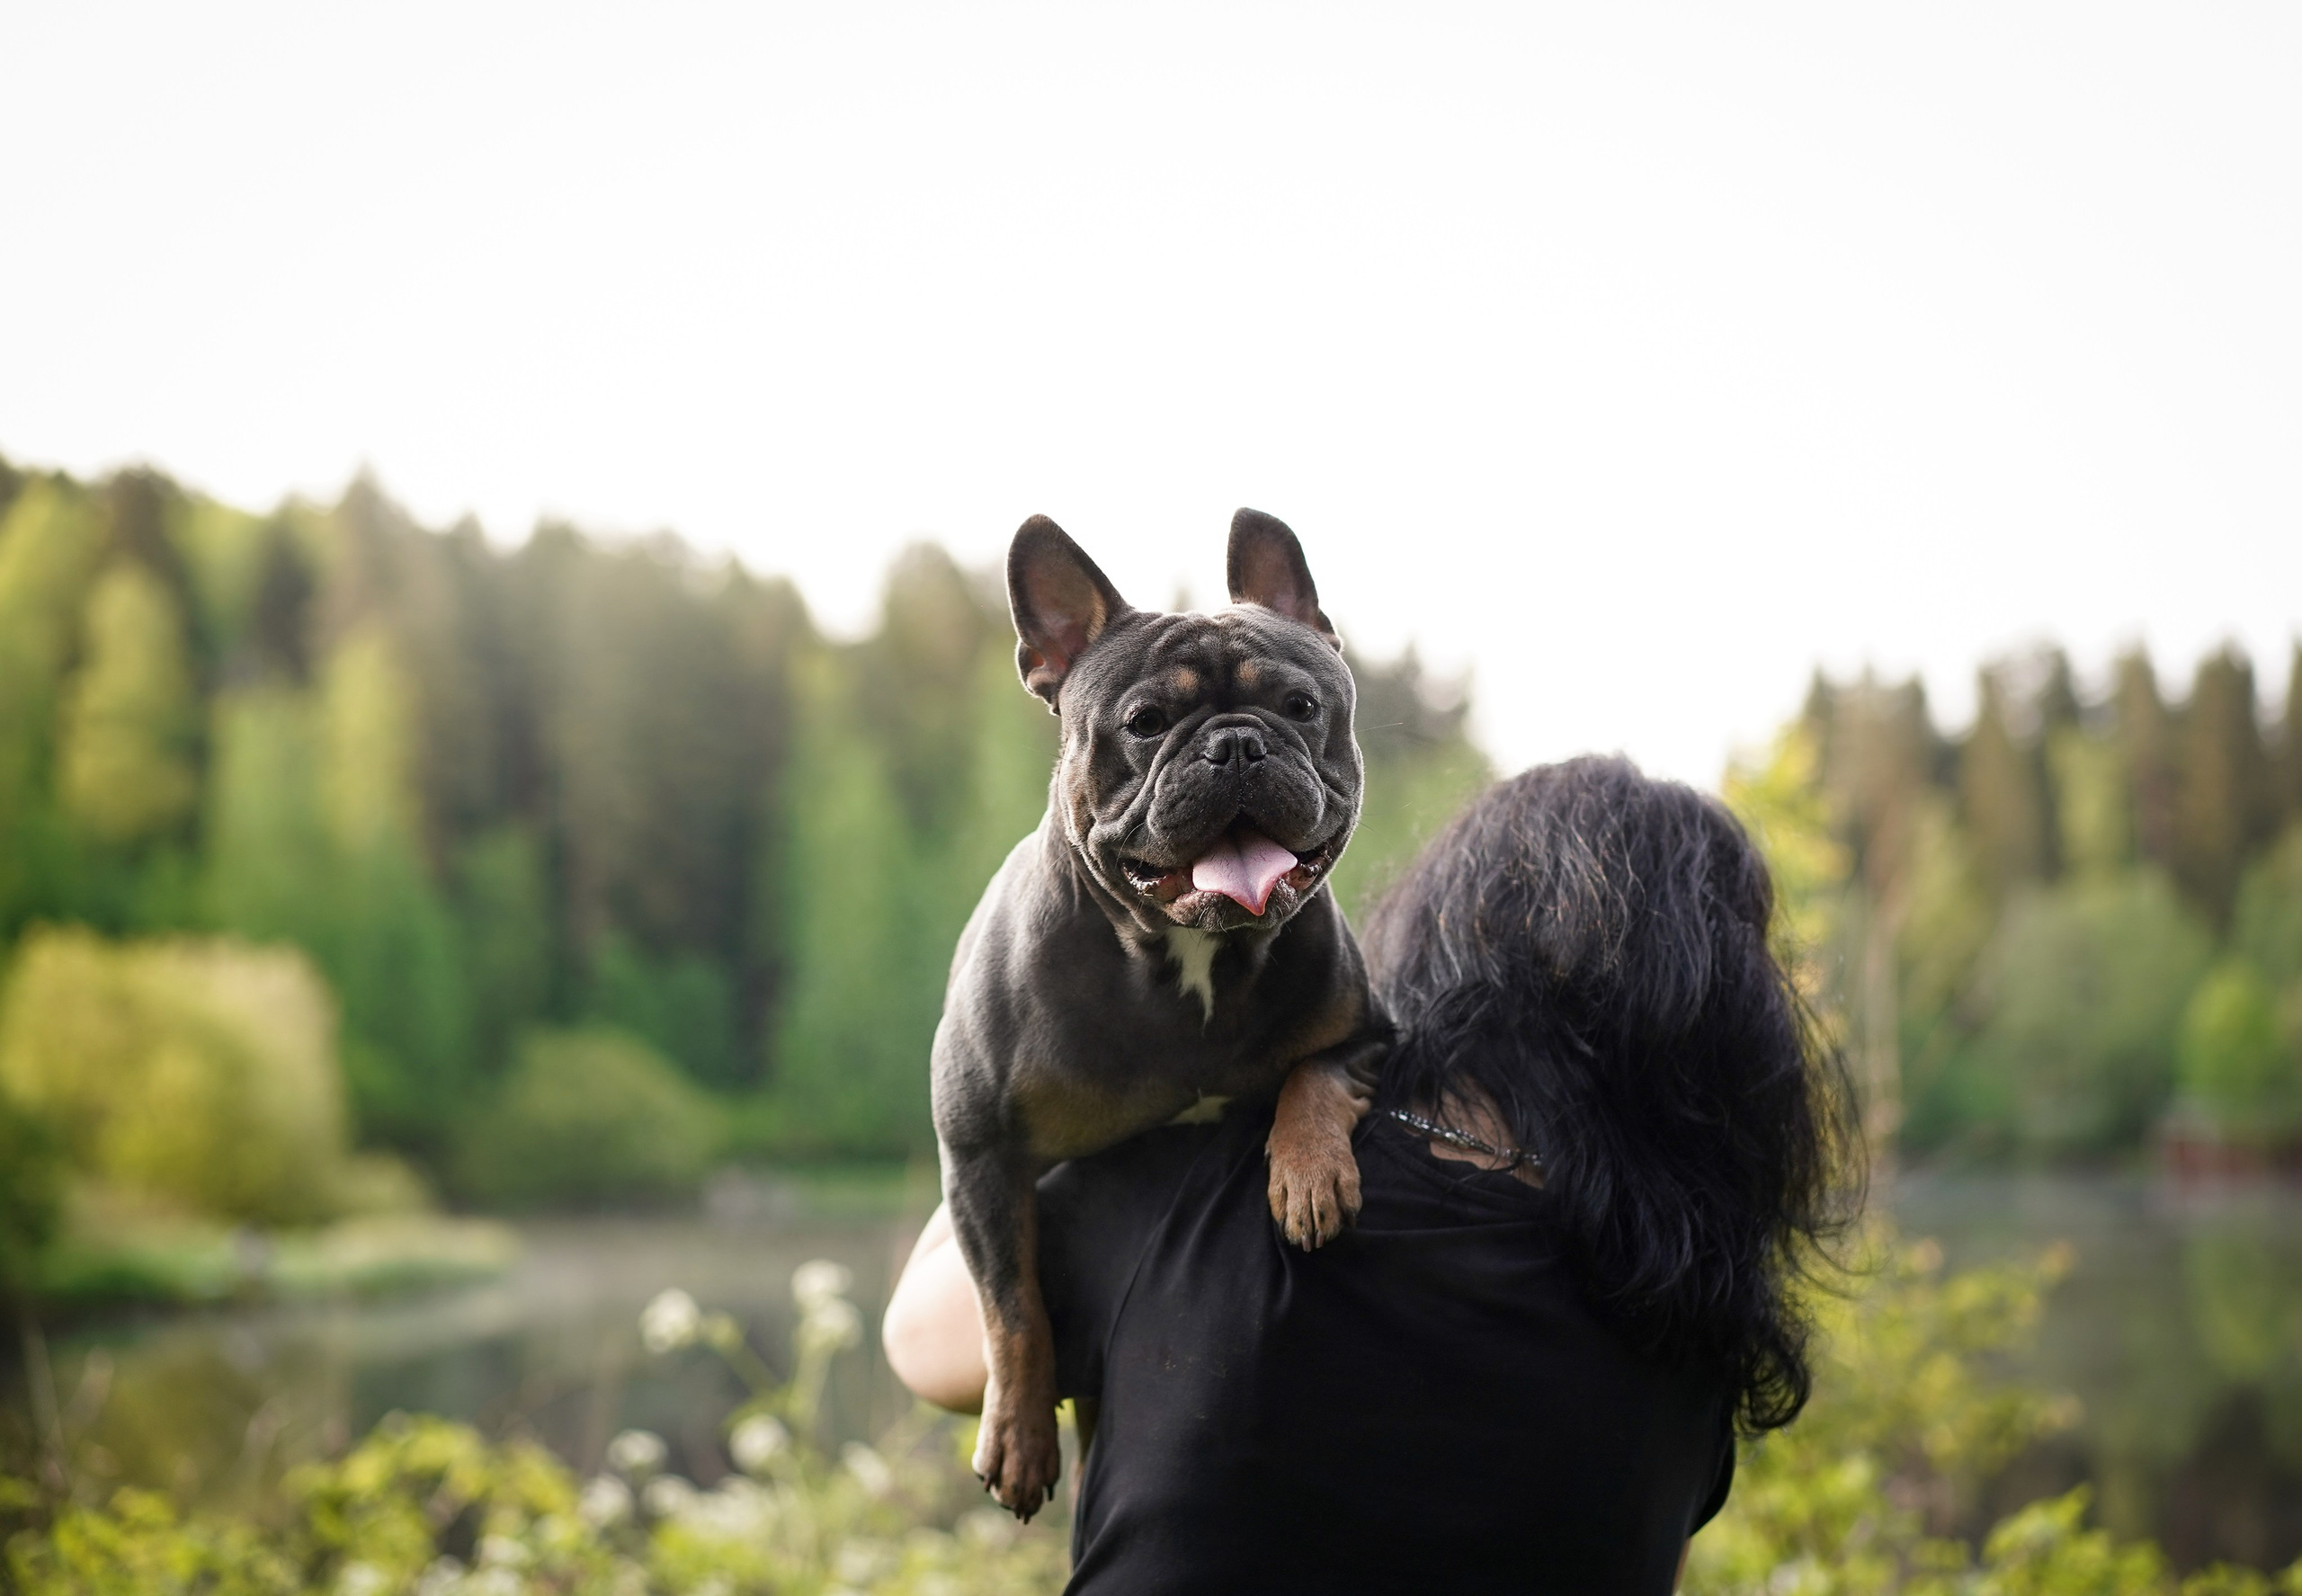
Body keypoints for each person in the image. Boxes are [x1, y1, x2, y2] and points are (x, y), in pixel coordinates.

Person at [885, 756, 1858, 1594]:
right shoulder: (1686, 1328)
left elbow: (921, 1339)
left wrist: (1056, 1055)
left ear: (1449, 929)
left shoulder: (1203, 1181)